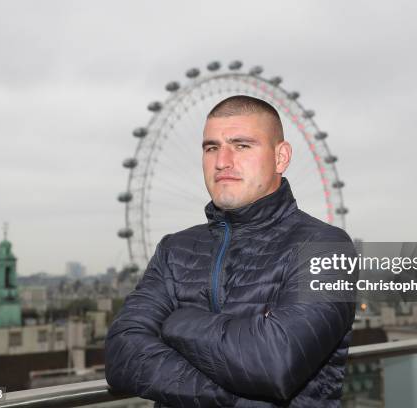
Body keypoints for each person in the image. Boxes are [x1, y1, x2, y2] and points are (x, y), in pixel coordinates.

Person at [105, 95, 356, 407]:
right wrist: (234, 395)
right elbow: (121, 355)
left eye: (242, 145)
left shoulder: (327, 248)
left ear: (281, 157)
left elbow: (274, 363)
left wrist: (174, 323)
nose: (222, 161)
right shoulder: (174, 250)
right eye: (211, 148)